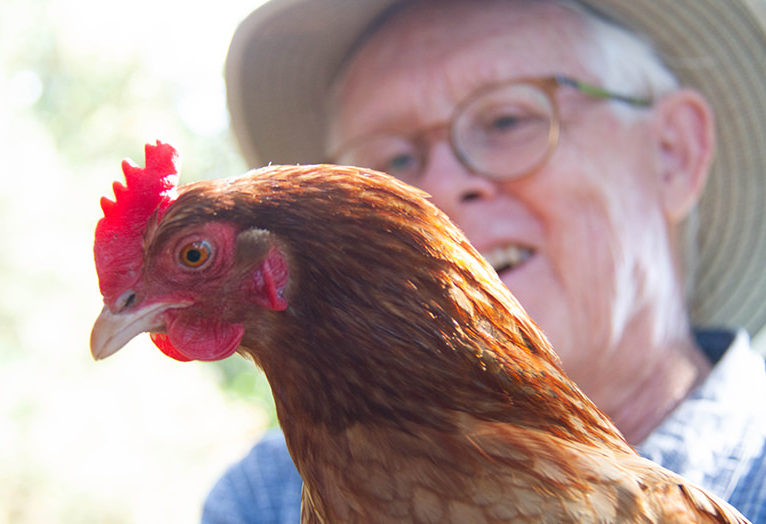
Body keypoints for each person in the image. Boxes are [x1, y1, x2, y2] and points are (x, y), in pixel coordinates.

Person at [204, 0, 766, 522]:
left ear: (673, 152)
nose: (440, 190)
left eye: (506, 121)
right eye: (392, 161)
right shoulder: (263, 500)